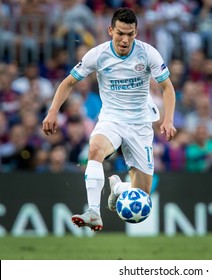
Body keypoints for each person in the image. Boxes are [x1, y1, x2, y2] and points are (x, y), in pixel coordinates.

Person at [42, 8, 177, 231]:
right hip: (111, 120)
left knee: (142, 197)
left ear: (136, 32)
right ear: (110, 30)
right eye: (120, 33)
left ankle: (119, 189)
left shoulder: (148, 53)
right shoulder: (98, 54)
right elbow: (68, 82)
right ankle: (94, 212)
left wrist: (168, 120)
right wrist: (52, 111)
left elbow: (167, 88)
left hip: (140, 124)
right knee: (94, 149)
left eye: (130, 34)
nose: (125, 40)